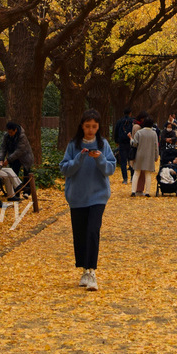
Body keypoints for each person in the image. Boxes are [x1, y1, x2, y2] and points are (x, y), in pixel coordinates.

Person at [59, 112, 116, 290]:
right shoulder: (73, 145)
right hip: (77, 196)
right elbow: (65, 169)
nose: (91, 130)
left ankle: (92, 271)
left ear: (99, 127)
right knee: (80, 234)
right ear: (82, 126)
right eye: (87, 126)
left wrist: (99, 158)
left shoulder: (103, 144)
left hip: (98, 196)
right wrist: (79, 158)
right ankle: (84, 269)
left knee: (93, 230)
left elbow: (110, 169)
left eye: (94, 126)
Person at [131, 116, 160, 196]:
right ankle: (147, 192)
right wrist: (156, 156)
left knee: (136, 173)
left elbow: (135, 144)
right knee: (148, 174)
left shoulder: (139, 133)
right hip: (149, 155)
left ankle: (133, 191)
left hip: (139, 155)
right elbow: (156, 146)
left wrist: (130, 139)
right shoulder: (154, 134)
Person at [113, 108, 134, 183]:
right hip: (130, 143)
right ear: (130, 113)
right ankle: (132, 177)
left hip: (122, 143)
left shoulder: (119, 121)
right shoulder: (132, 121)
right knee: (131, 160)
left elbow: (115, 132)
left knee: (123, 161)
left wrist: (116, 141)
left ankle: (125, 178)